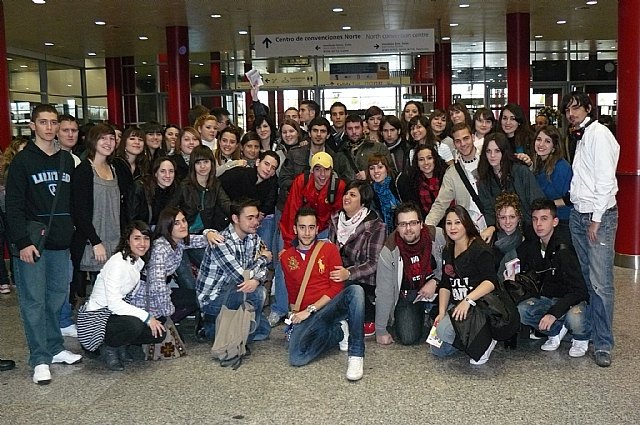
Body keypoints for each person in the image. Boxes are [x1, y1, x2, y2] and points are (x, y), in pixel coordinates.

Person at [6, 104, 82, 384]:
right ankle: (39, 358)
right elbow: (12, 206)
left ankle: (54, 347)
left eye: (53, 122)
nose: (49, 128)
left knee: (55, 298)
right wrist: (23, 242)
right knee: (33, 301)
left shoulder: (66, 160)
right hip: (32, 244)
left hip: (60, 242)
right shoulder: (23, 161)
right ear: (32, 126)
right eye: (44, 122)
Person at [562, 91, 619, 367]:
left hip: (599, 217)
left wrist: (596, 218)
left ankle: (603, 343)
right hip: (579, 214)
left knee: (601, 283)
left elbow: (606, 181)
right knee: (588, 280)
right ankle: (591, 333)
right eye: (567, 110)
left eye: (576, 108)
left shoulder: (599, 135)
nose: (571, 113)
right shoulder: (581, 137)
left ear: (588, 108)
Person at [282, 207, 365, 381]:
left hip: (328, 307)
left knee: (356, 291)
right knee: (297, 357)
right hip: (308, 315)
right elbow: (292, 290)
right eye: (302, 227)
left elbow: (336, 287)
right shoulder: (286, 257)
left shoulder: (329, 249)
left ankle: (356, 354)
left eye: (311, 227)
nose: (307, 232)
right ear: (295, 229)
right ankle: (338, 332)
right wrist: (294, 314)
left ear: (317, 229)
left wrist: (311, 309)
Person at [77, 221, 165, 371]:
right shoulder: (117, 263)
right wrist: (147, 317)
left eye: (146, 238)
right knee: (135, 324)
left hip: (114, 314)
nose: (142, 243)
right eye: (137, 238)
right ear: (127, 240)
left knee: (158, 333)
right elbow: (114, 304)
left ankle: (121, 345)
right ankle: (108, 348)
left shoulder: (137, 262)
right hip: (96, 318)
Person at [515, 199, 591, 357]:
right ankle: (556, 330)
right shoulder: (534, 245)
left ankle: (581, 338)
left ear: (555, 221)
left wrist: (553, 313)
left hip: (573, 300)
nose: (538, 224)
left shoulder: (564, 249)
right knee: (522, 310)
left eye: (544, 219)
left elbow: (579, 291)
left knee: (575, 318)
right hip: (550, 298)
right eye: (535, 219)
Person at [196, 198, 272, 343]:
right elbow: (242, 276)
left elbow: (262, 271)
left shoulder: (254, 238)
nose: (256, 222)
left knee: (264, 331)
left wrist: (256, 280)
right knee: (258, 293)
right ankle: (212, 324)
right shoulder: (221, 241)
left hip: (236, 289)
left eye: (256, 217)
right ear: (235, 219)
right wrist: (263, 259)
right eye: (250, 218)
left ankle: (234, 327)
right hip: (213, 299)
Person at [431, 206, 501, 365]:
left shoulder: (479, 248)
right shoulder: (448, 250)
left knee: (444, 331)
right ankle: (471, 340)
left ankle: (485, 341)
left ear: (466, 224)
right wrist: (442, 312)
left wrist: (468, 301)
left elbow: (491, 282)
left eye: (457, 222)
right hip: (458, 304)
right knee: (438, 349)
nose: (452, 227)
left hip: (478, 304)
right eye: (449, 223)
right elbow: (445, 283)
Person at [130, 207, 222, 324]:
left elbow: (201, 240)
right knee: (198, 299)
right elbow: (158, 286)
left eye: (184, 221)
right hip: (147, 298)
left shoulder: (177, 241)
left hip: (159, 292)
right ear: (167, 226)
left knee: (201, 297)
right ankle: (167, 320)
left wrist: (208, 233)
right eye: (177, 223)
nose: (183, 225)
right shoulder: (160, 248)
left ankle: (171, 319)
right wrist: (168, 311)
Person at [70, 124, 121, 331]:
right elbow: (79, 212)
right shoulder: (83, 170)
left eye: (111, 138)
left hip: (115, 238)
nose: (108, 143)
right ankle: (90, 330)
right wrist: (95, 241)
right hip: (93, 240)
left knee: (112, 288)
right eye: (103, 139)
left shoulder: (114, 168)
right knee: (95, 290)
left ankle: (109, 330)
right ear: (92, 141)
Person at [375, 202, 441, 346]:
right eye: (403, 224)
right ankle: (422, 315)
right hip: (409, 294)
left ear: (421, 224)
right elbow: (384, 292)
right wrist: (380, 330)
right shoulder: (389, 251)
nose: (408, 229)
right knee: (408, 337)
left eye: (413, 223)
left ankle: (432, 313)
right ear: (397, 227)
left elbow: (451, 266)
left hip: (439, 290)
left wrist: (436, 281)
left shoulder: (437, 236)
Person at [328, 180, 386, 337]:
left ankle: (365, 314)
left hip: (363, 280)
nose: (346, 197)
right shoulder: (335, 219)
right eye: (346, 193)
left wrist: (348, 273)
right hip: (338, 274)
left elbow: (373, 264)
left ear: (363, 202)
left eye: (352, 195)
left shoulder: (376, 225)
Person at [171, 145, 231, 289]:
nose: (202, 166)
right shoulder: (184, 186)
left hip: (201, 238)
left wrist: (242, 215)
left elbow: (227, 204)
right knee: (188, 282)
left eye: (206, 162)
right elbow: (170, 211)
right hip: (180, 239)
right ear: (193, 165)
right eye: (198, 163)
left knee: (217, 267)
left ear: (212, 163)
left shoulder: (215, 185)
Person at [477, 132, 544, 242]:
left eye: (497, 151)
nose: (492, 155)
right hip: (503, 232)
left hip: (529, 229)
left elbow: (537, 201)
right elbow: (489, 210)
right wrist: (492, 226)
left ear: (505, 151)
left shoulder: (520, 171)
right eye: (489, 151)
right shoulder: (484, 179)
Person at [425, 123, 486, 235]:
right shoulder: (452, 173)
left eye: (466, 138)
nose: (463, 144)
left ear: (472, 137)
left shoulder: (488, 162)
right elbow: (440, 204)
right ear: (454, 144)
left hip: (492, 224)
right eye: (458, 141)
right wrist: (427, 228)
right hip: (468, 229)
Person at [280, 152, 346, 249]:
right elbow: (292, 214)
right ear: (312, 171)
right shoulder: (301, 181)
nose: (322, 174)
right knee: (285, 258)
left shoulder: (338, 186)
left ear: (332, 171)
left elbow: (338, 219)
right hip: (297, 227)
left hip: (323, 230)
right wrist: (289, 246)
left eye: (326, 170)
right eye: (318, 169)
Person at [529, 125, 573, 223]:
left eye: (547, 141)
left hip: (561, 220)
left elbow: (570, 199)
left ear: (554, 147)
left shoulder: (561, 167)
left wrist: (547, 205)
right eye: (539, 139)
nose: (541, 144)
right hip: (544, 219)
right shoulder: (537, 164)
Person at [334, 113, 394, 182]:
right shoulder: (340, 153)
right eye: (350, 128)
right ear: (345, 131)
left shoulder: (378, 148)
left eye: (357, 128)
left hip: (373, 191)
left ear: (363, 128)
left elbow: (391, 172)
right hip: (349, 191)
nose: (354, 132)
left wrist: (369, 174)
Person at [397, 144, 448, 220]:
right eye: (421, 159)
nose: (426, 162)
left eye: (429, 158)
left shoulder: (446, 177)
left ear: (435, 159)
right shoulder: (411, 182)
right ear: (416, 163)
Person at [127, 156, 177, 227]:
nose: (167, 175)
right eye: (163, 171)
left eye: (171, 171)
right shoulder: (140, 188)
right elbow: (132, 220)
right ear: (155, 173)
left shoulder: (175, 189)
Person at [113, 127, 148, 215]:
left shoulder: (143, 167)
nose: (137, 142)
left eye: (140, 139)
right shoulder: (115, 164)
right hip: (117, 212)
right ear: (124, 142)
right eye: (132, 139)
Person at [491, 192, 525, 282]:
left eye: (512, 217)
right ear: (497, 219)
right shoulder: (490, 242)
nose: (507, 222)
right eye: (503, 217)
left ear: (519, 217)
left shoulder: (528, 242)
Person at [367, 153, 400, 234]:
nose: (376, 171)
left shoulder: (398, 183)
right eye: (372, 168)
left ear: (387, 169)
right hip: (384, 233)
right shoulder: (370, 191)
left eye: (380, 167)